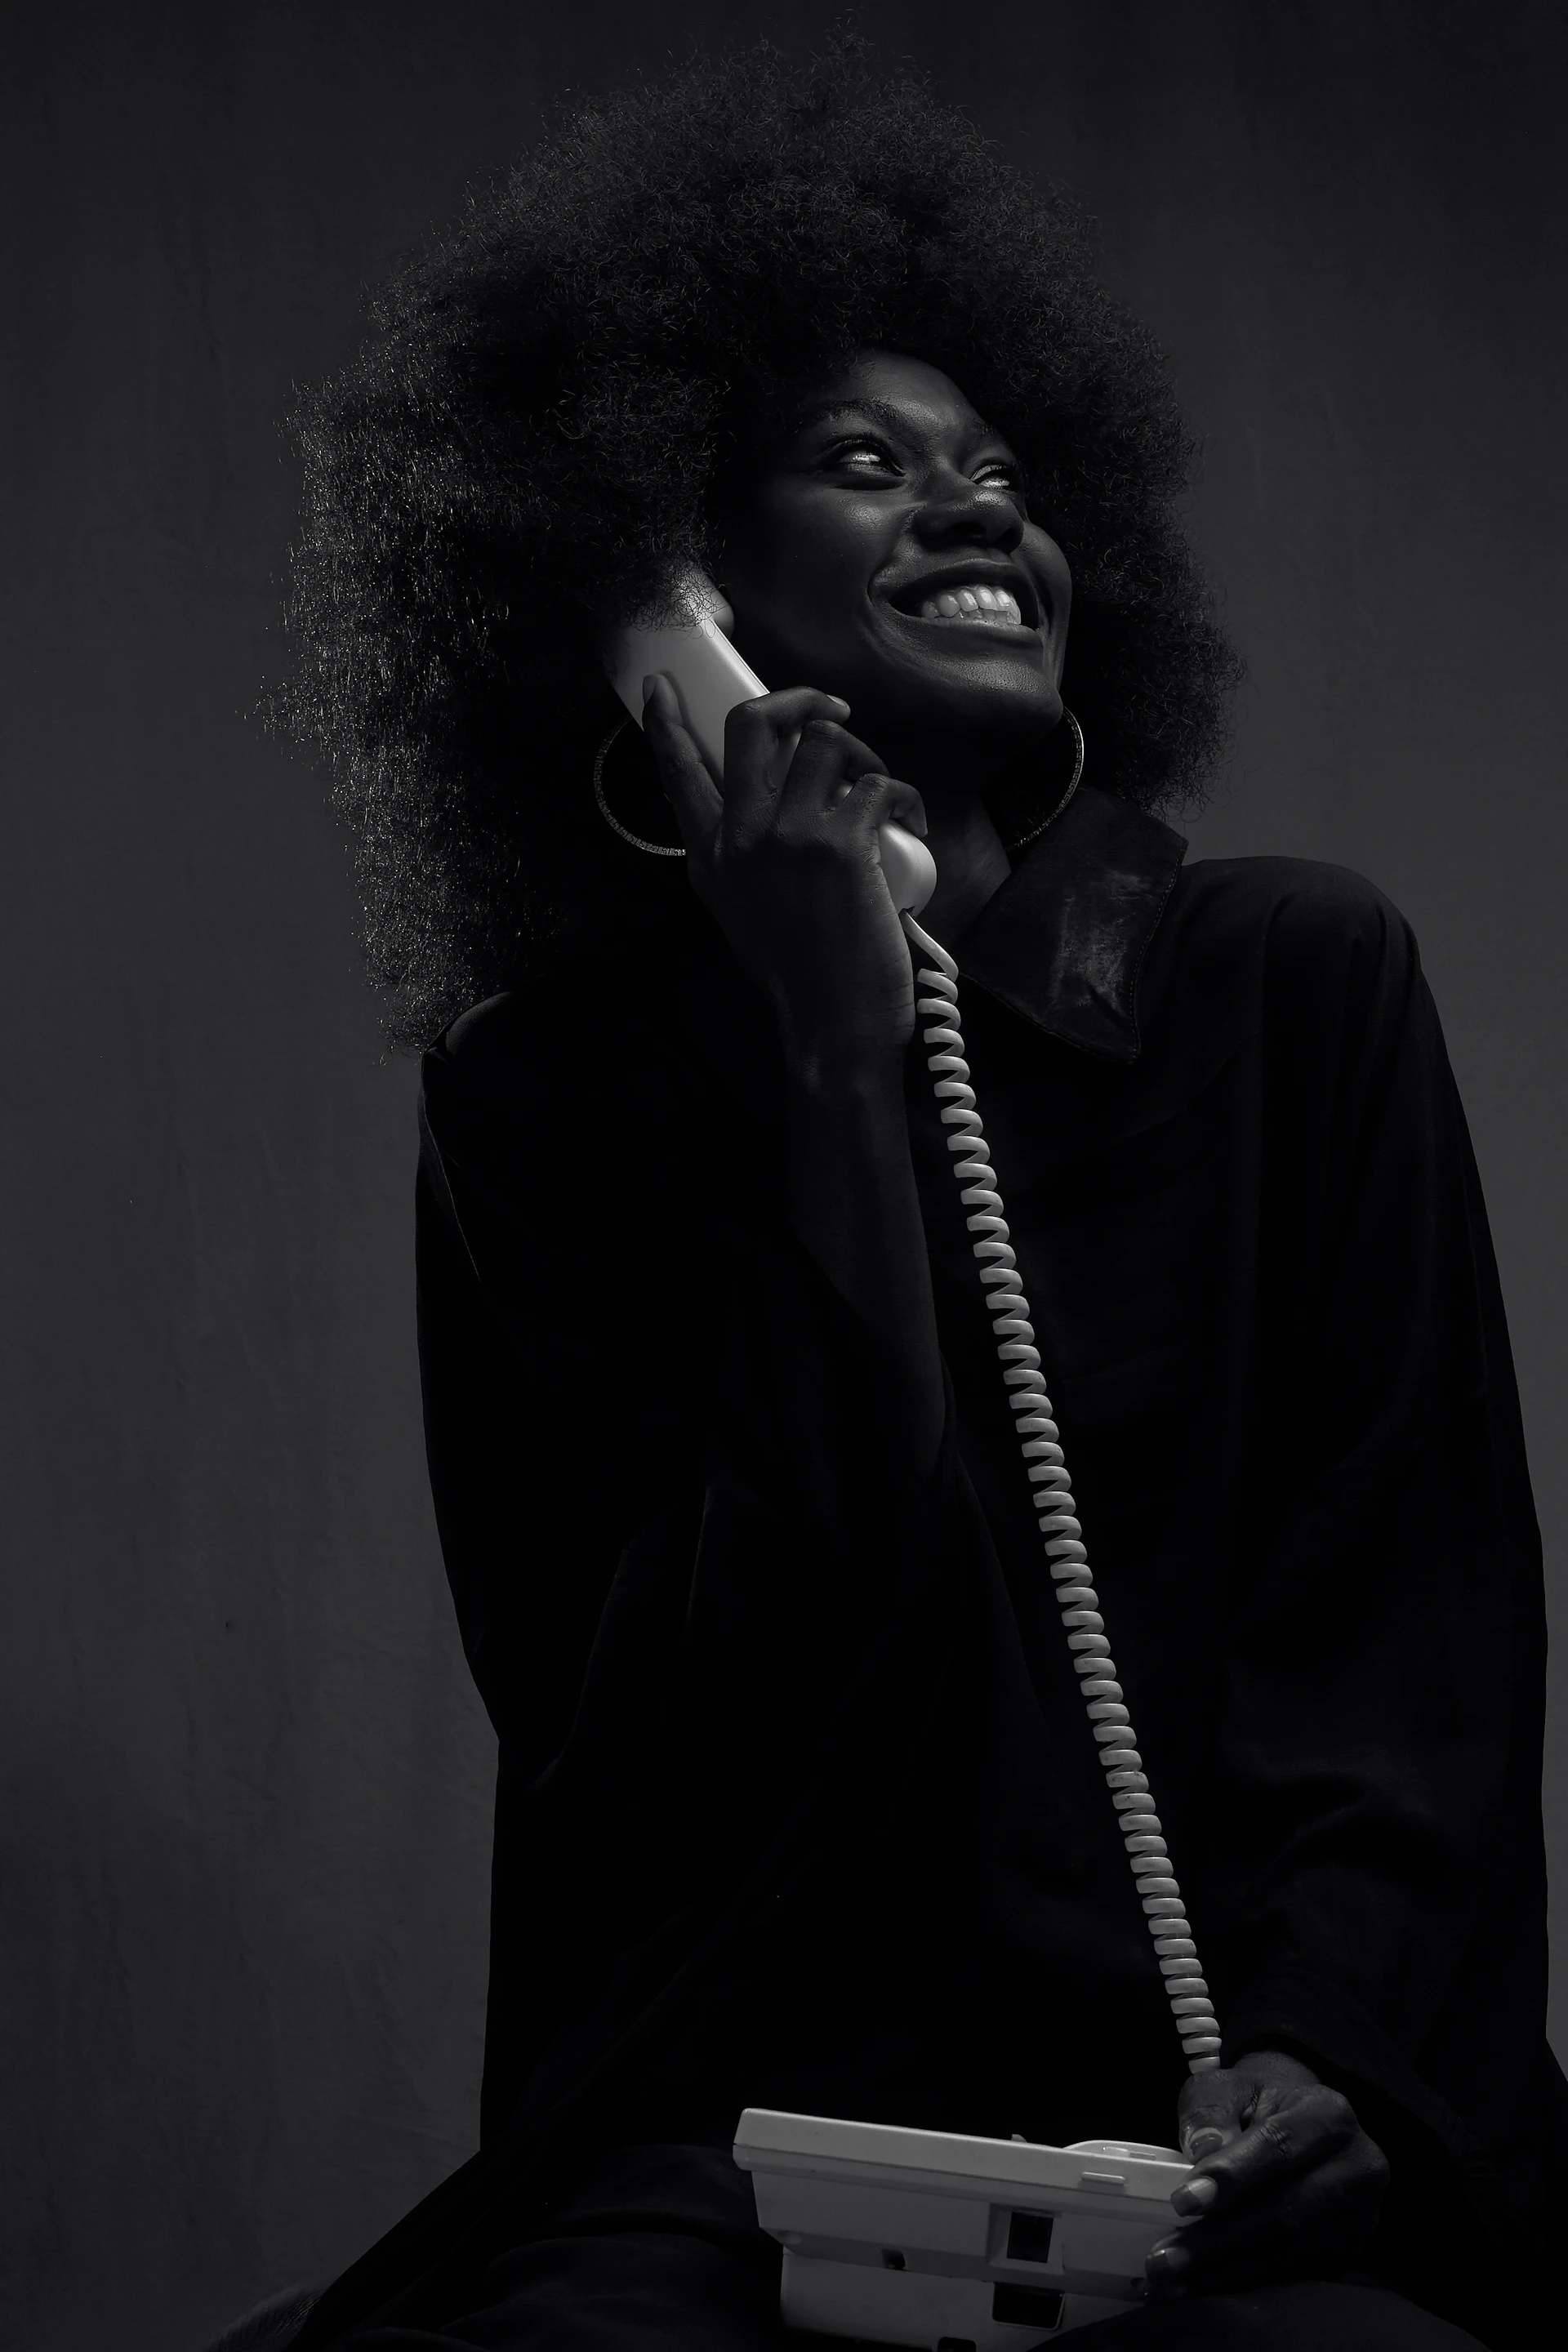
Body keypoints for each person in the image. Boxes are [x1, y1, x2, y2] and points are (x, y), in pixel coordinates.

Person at [275, 38, 1561, 2352]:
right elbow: (666, 1756)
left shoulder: (1288, 980)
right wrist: (831, 1058)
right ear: (673, 588)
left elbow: (1418, 1648)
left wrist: (1336, 2055)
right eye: (865, 466)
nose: (978, 515)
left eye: (1003, 471)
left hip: (1212, 2139)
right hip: (735, 2140)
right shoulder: (549, 1095)